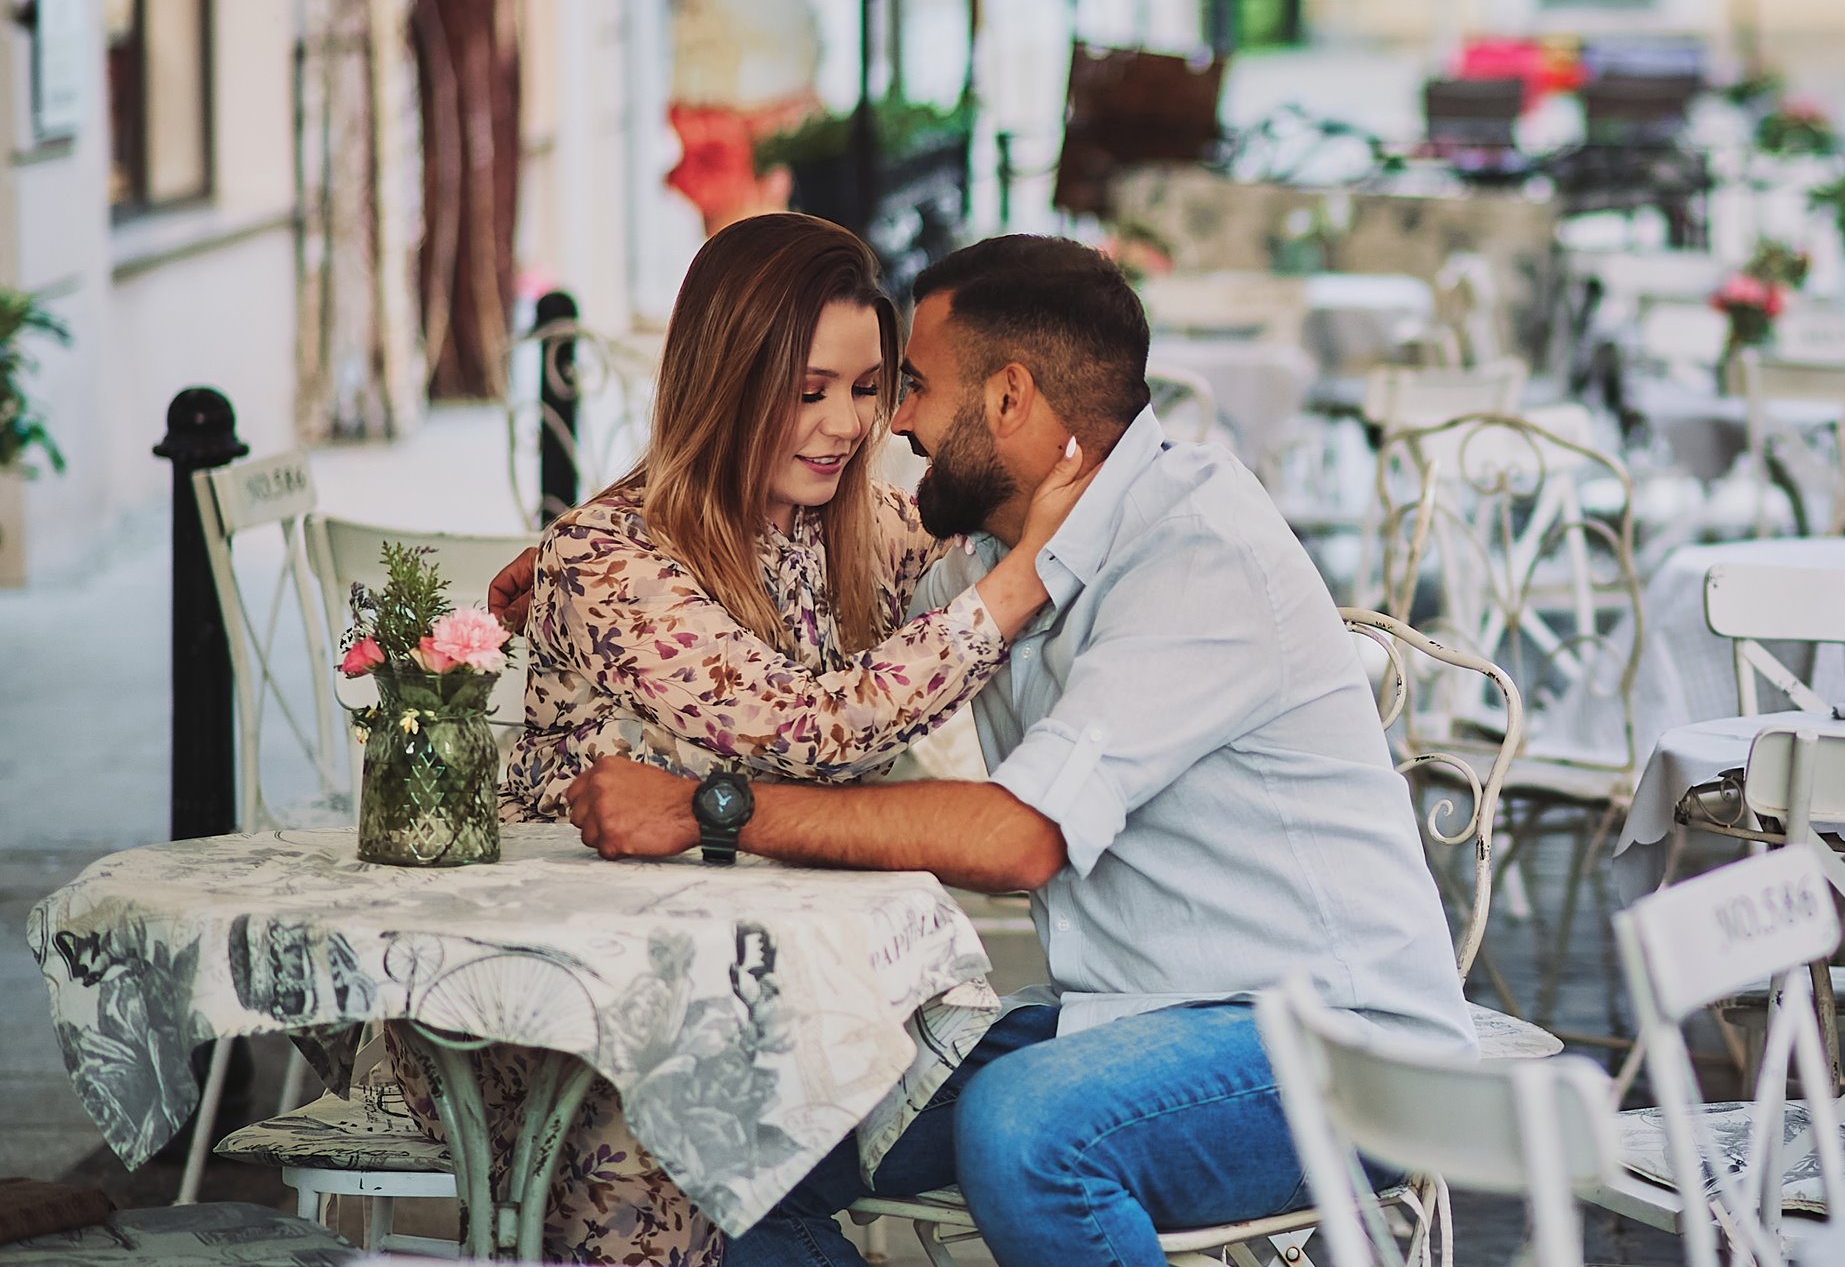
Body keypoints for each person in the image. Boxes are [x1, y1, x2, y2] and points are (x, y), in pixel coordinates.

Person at [558, 235, 1475, 1267]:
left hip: (1337, 1043)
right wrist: (588, 554)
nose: (887, 421)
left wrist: (702, 808)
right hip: (1129, 1019)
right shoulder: (993, 556)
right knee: (745, 1132)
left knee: (1026, 1129)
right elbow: (796, 617)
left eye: (907, 386)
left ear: (1008, 399)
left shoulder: (1193, 552)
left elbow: (1019, 840)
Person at [415, 214, 1092, 1265]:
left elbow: (988, 515)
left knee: (1078, 1077)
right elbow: (805, 731)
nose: (844, 425)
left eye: (867, 389)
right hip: (598, 1036)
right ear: (725, 380)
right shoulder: (610, 559)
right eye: (806, 389)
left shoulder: (848, 528)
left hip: (777, 1006)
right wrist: (1018, 585)